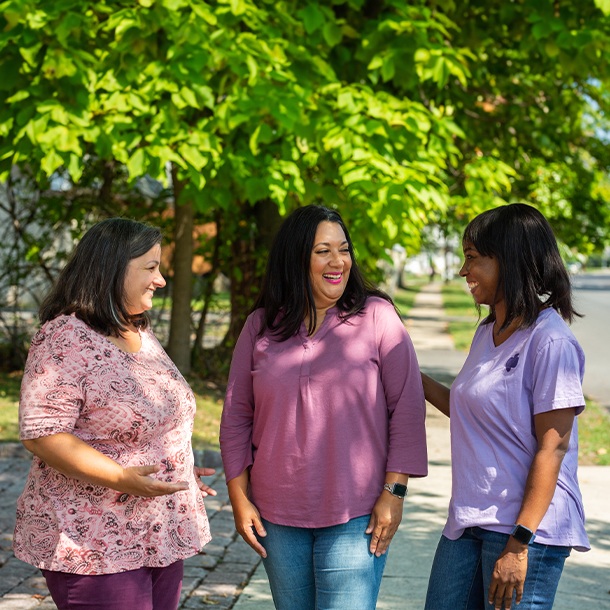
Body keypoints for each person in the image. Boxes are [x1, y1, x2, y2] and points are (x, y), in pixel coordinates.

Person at [219, 205, 427, 610]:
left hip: (357, 513)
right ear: (296, 259)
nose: (338, 262)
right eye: (322, 251)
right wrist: (239, 498)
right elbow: (236, 418)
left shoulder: (378, 318)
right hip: (276, 516)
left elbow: (406, 408)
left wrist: (394, 493)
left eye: (344, 249)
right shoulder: (260, 327)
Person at [14, 218, 216, 610]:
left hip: (158, 529)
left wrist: (178, 465)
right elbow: (42, 434)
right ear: (113, 267)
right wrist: (123, 478)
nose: (160, 279)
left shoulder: (138, 330)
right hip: (92, 540)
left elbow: (151, 417)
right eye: (151, 267)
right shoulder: (64, 337)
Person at [422, 203, 589, 610]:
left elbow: (553, 446)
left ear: (509, 261)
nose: (463, 271)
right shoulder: (487, 331)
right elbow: (470, 410)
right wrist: (404, 373)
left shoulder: (550, 342)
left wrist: (519, 544)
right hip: (469, 520)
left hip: (525, 531)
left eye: (473, 258)